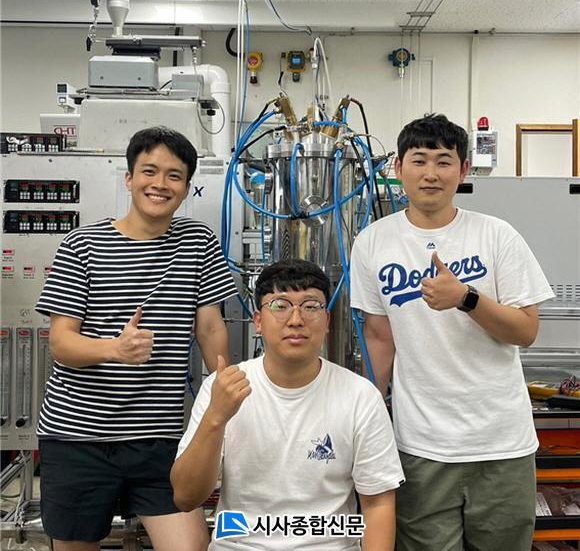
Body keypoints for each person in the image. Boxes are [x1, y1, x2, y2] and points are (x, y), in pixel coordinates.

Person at [350, 113, 554, 551]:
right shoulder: (373, 241)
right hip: (421, 445)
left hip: (501, 444)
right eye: (419, 160)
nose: (430, 173)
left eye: (443, 161)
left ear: (462, 170)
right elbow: (379, 337)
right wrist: (368, 415)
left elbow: (526, 330)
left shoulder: (497, 235)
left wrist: (467, 298)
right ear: (398, 168)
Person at [36, 126, 238, 551]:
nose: (160, 184)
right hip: (78, 437)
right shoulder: (82, 245)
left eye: (174, 175)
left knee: (190, 547)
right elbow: (60, 343)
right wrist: (116, 348)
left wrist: (226, 395)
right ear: (128, 178)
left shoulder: (198, 242)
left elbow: (210, 327)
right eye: (149, 171)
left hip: (159, 439)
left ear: (187, 187)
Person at [171, 259, 404, 550]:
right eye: (280, 306)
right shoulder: (221, 390)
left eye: (310, 306)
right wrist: (215, 418)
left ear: (327, 321)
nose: (296, 319)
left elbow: (378, 504)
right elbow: (185, 497)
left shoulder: (360, 396)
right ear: (258, 321)